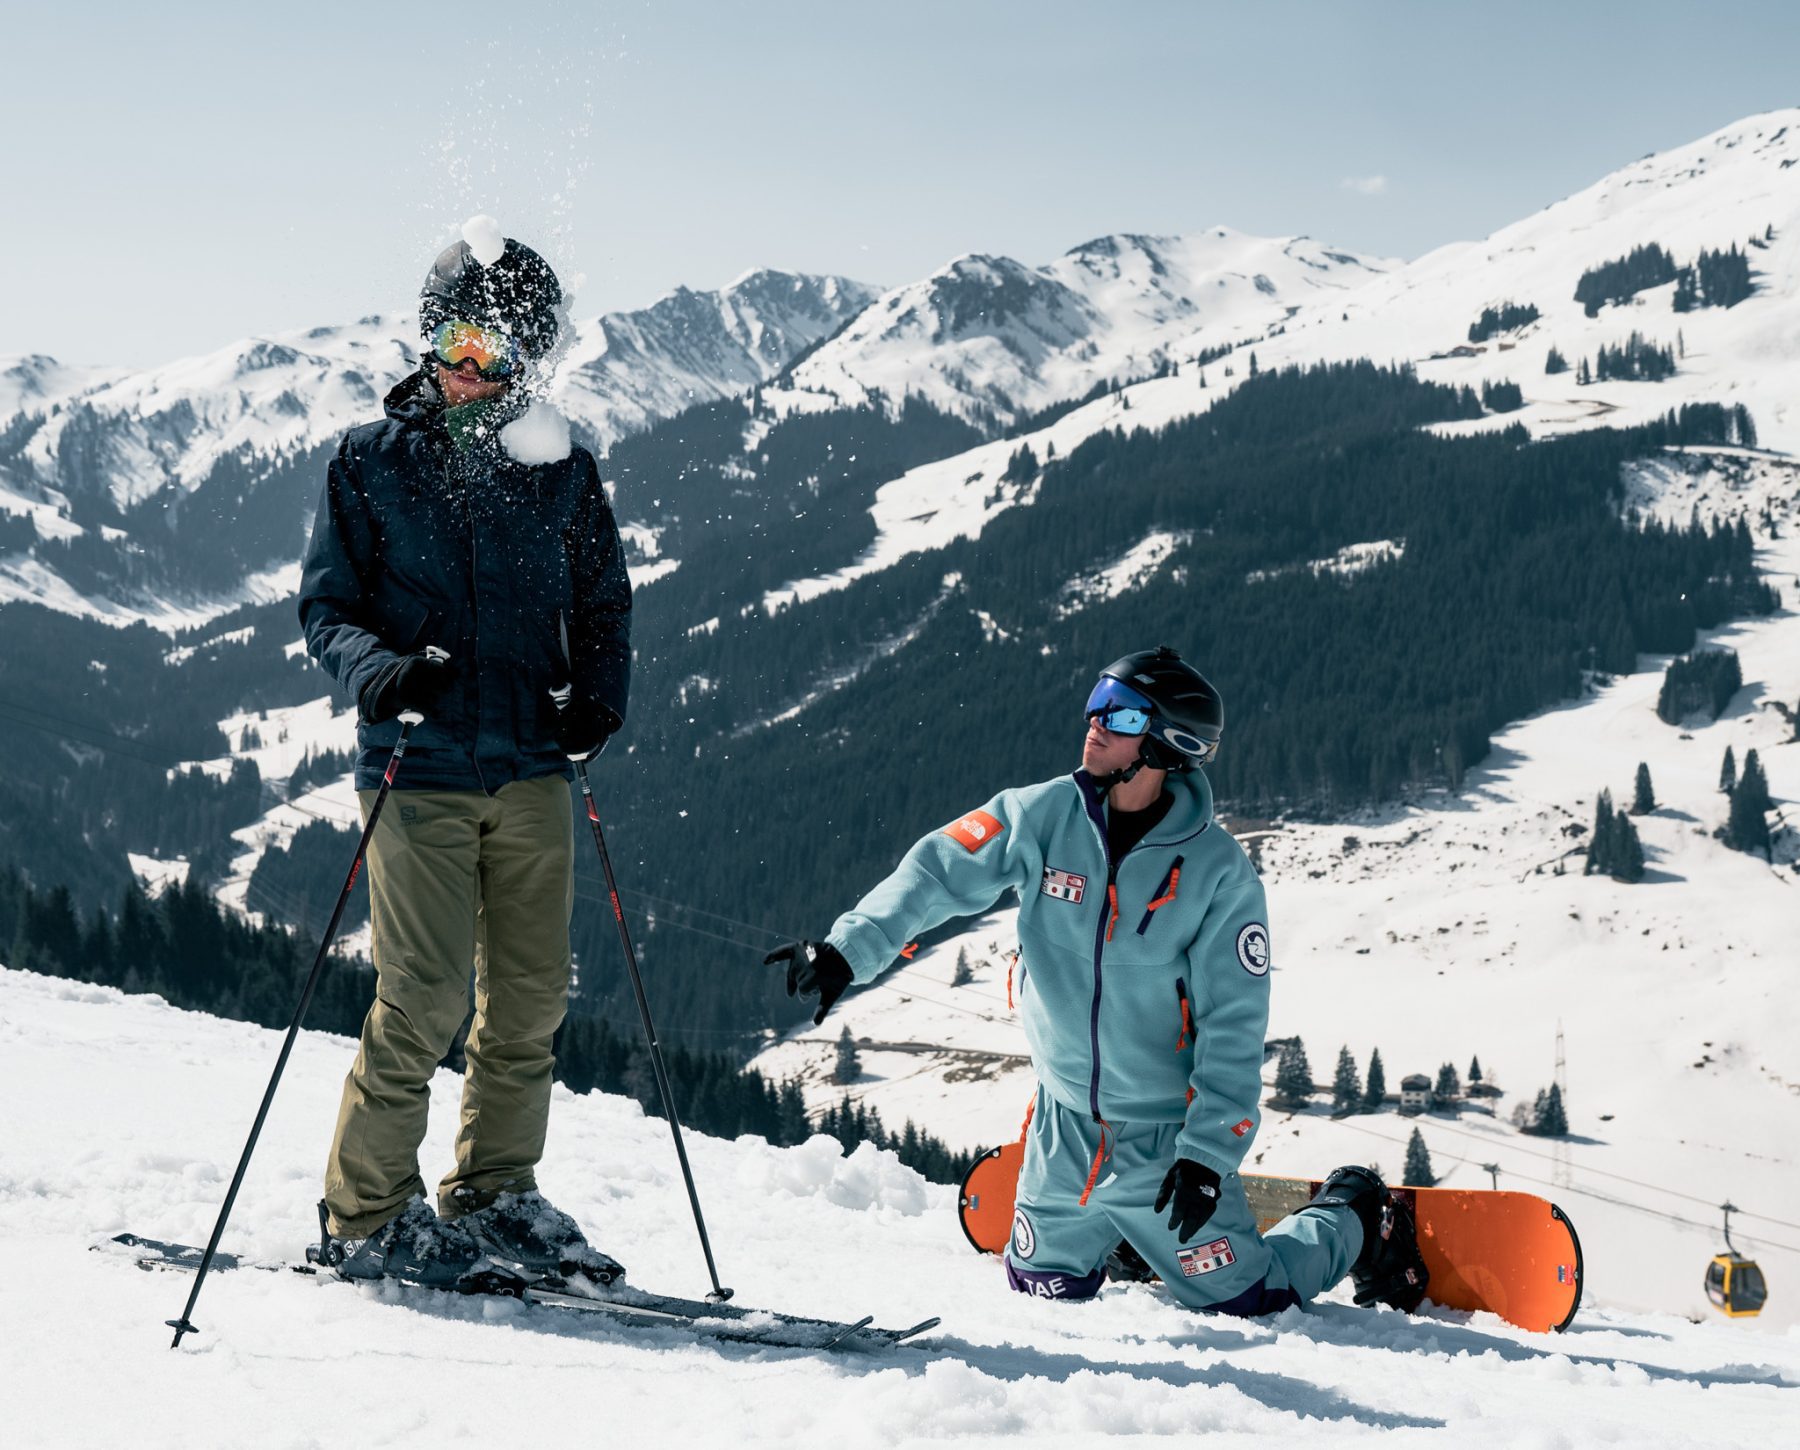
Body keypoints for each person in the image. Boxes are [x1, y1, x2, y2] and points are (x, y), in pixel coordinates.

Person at [766, 647, 1426, 1316]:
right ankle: (1125, 1239)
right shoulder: (1043, 816)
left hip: (1163, 1141)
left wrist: (1206, 1154)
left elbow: (1234, 1021)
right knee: (1045, 1293)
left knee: (1254, 1298)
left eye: (1122, 712)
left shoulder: (1217, 876)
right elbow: (939, 871)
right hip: (1065, 1129)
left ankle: (1355, 1216)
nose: (1095, 722)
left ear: (1170, 743)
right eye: (1096, 702)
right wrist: (848, 951)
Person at [298, 233, 632, 1287]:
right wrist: (381, 673)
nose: (468, 364)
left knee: (529, 999)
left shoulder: (560, 467)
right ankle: (365, 1214)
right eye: (453, 337)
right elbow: (325, 606)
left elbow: (603, 601)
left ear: (530, 355)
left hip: (531, 764)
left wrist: (600, 701)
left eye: (496, 346)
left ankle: (495, 1190)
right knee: (425, 998)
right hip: (418, 767)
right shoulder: (369, 461)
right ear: (426, 330)